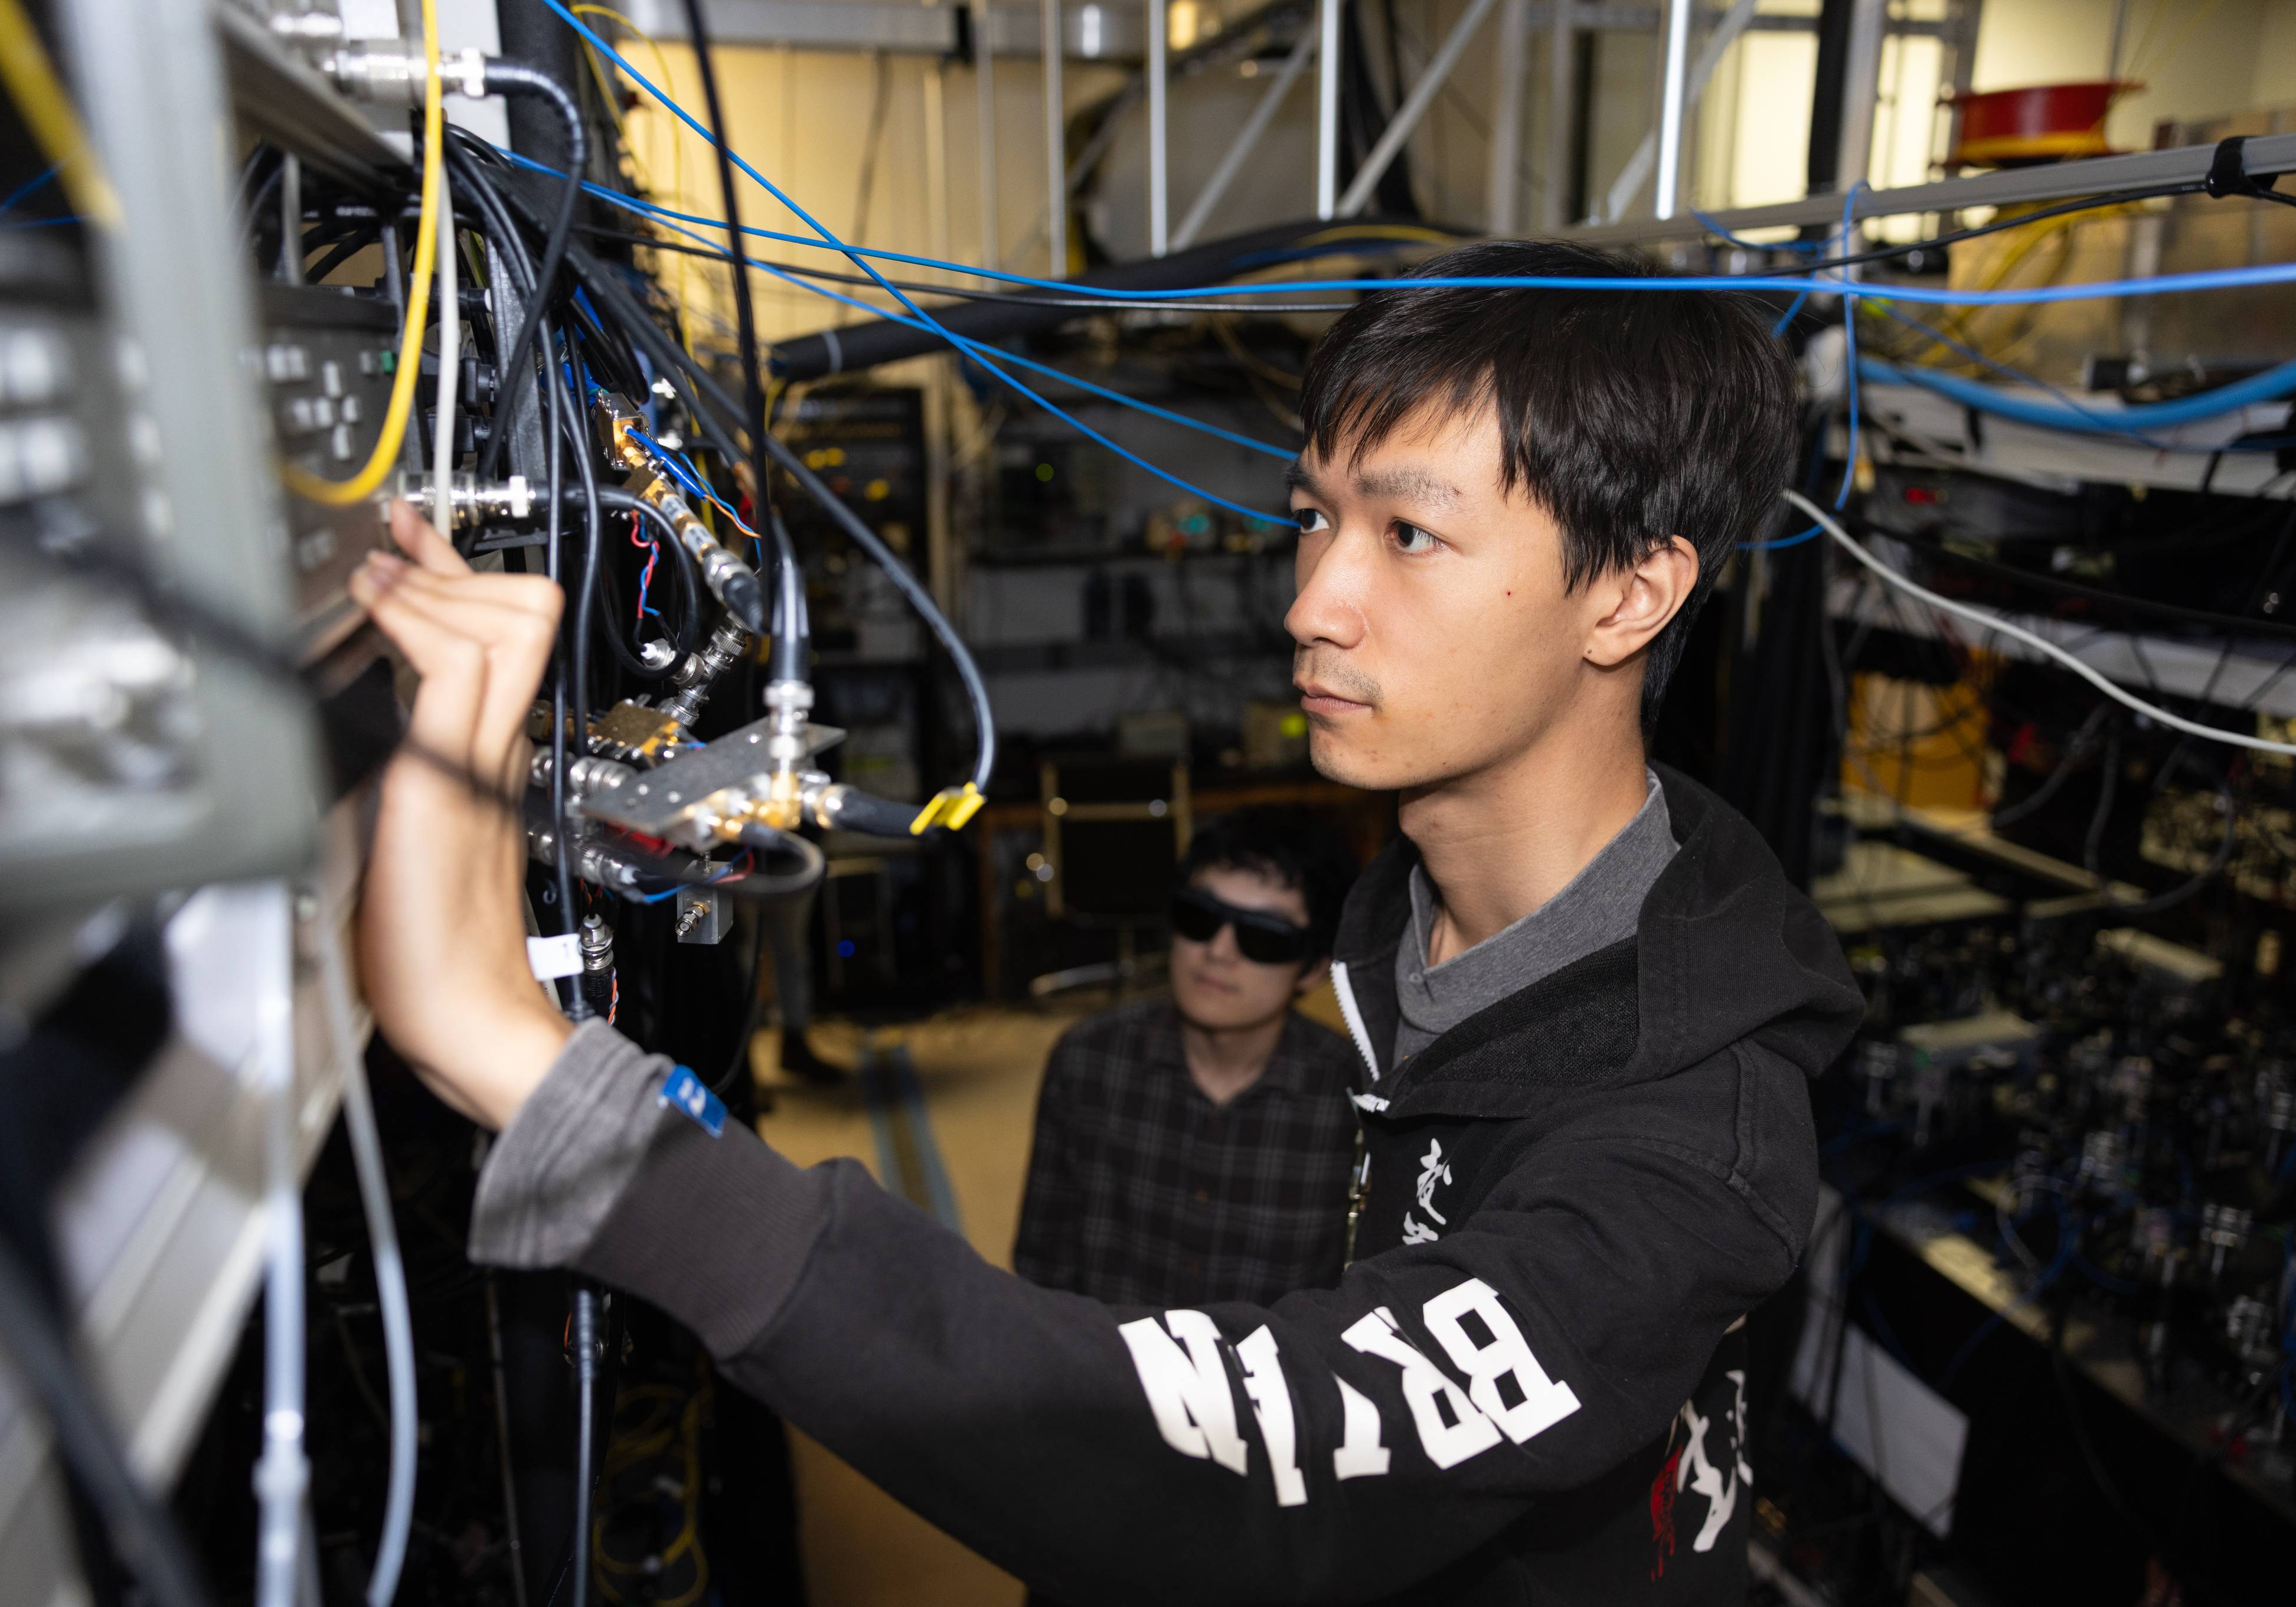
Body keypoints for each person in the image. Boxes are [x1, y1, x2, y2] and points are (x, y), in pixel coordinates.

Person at [351, 239, 1863, 1606]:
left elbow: (1247, 1461)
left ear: (1631, 597)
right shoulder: (1416, 924)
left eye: (1408, 536)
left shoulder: (1690, 1140)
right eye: (1312, 518)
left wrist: (529, 1067)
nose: (1312, 602)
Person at [1015, 808, 1365, 1309]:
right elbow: (1041, 1269)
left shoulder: (1354, 1097)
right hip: (1110, 1375)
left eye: (1263, 936)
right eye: (1199, 918)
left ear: (1313, 968)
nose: (1218, 951)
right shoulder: (1087, 1061)